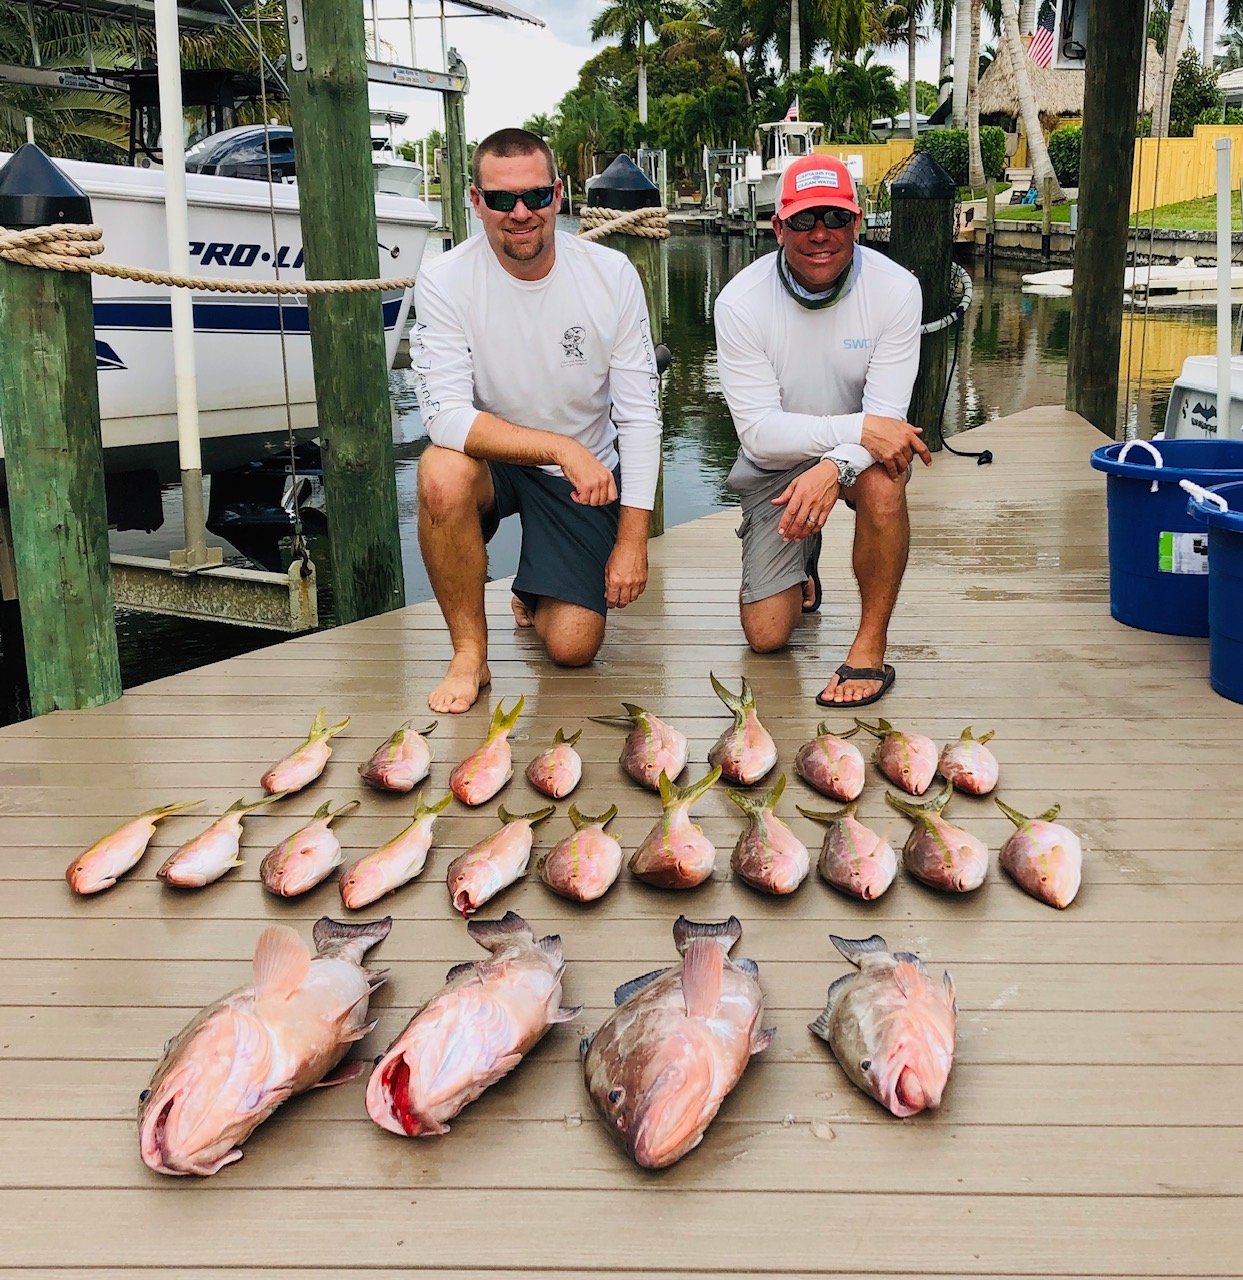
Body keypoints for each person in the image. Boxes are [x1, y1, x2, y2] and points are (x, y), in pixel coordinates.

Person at [412, 128, 661, 714]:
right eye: (501, 200)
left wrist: (633, 540)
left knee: (573, 646)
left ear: (558, 194)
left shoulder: (612, 275)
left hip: (583, 474)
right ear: (476, 202)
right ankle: (470, 652)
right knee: (440, 471)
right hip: (497, 461)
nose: (519, 213)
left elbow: (641, 416)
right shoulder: (444, 278)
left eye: (534, 197)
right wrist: (556, 446)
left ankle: (533, 587)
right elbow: (445, 416)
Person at [713, 153, 932, 708]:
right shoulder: (739, 302)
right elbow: (760, 434)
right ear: (778, 227)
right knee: (766, 636)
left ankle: (870, 645)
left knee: (886, 483)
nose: (821, 234)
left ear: (857, 224)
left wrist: (835, 467)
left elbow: (887, 430)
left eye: (835, 219)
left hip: (859, 461)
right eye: (805, 220)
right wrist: (855, 433)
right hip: (779, 461)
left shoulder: (898, 290)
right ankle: (800, 564)